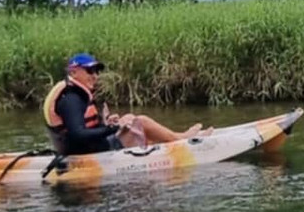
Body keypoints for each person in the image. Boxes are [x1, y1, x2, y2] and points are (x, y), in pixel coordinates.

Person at [42, 53, 212, 156]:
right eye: (89, 71)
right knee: (141, 122)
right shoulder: (71, 98)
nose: (95, 76)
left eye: (96, 71)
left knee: (130, 118)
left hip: (88, 148)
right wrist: (112, 129)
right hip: (87, 154)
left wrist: (107, 124)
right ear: (73, 72)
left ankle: (174, 138)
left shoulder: (74, 94)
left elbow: (83, 129)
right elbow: (78, 134)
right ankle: (181, 140)